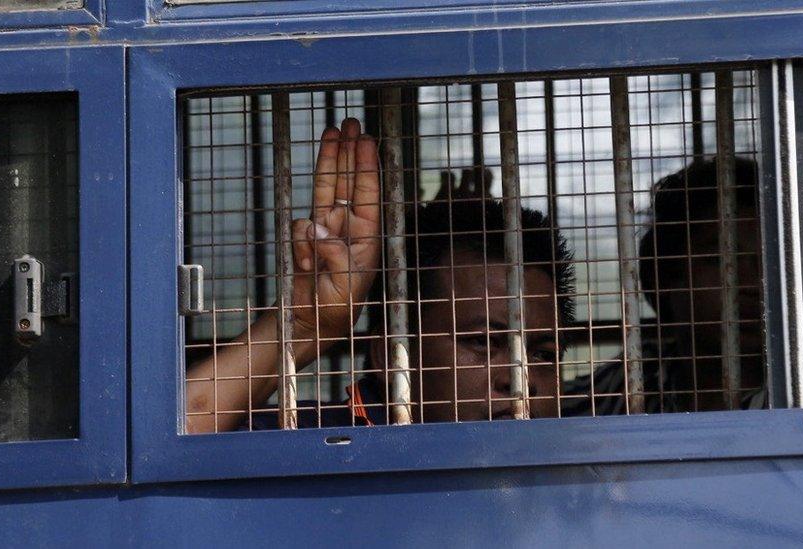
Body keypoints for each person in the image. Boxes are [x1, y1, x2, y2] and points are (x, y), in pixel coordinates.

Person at [186, 118, 575, 432]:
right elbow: (168, 439)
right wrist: (303, 326)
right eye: (481, 341)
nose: (521, 380)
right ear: (390, 354)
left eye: (543, 353)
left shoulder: (582, 466)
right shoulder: (315, 444)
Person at [562, 158, 766, 416]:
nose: (752, 284)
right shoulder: (643, 374)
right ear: (665, 277)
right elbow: (551, 411)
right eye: (722, 260)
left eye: (770, 264)